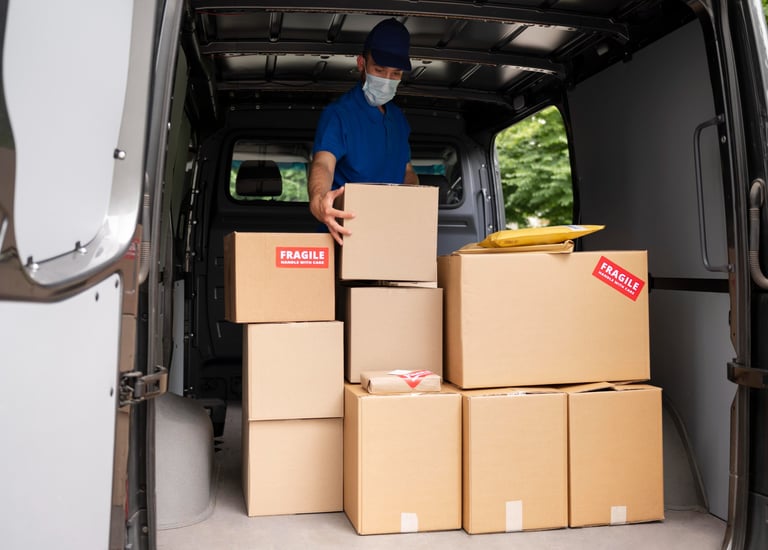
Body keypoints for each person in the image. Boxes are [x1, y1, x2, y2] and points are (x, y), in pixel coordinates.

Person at [308, 18, 420, 245]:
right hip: (345, 236)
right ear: (361, 63)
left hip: (391, 236)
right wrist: (319, 200)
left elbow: (406, 169)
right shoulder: (340, 114)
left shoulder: (398, 119)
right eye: (379, 70)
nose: (387, 80)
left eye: (396, 74)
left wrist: (413, 198)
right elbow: (323, 164)